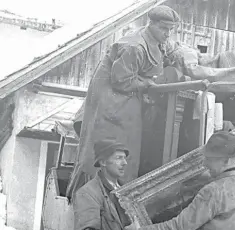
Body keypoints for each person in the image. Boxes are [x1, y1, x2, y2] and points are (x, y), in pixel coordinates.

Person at [66, 5, 181, 199]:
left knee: (128, 145)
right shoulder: (133, 47)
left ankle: (118, 192)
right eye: (163, 28)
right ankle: (100, 196)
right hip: (110, 96)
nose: (167, 33)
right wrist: (146, 83)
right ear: (150, 24)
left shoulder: (157, 39)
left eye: (170, 29)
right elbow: (121, 81)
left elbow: (165, 54)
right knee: (112, 144)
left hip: (126, 92)